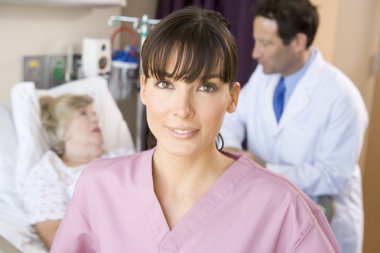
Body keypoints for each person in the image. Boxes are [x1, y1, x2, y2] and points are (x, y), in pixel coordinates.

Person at [50, 6, 340, 252]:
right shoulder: (99, 187)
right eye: (165, 84)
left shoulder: (283, 209)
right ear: (144, 89)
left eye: (205, 87)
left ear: (232, 98)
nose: (182, 109)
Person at [220, 0, 368, 252]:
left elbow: (333, 176)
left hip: (324, 220)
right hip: (273, 211)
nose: (255, 53)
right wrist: (233, 149)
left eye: (266, 44)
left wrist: (264, 168)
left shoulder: (342, 98)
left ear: (298, 42)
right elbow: (232, 117)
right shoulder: (263, 77)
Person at [19, 94, 132, 250]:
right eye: (83, 113)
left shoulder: (124, 157)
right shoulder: (48, 172)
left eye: (94, 114)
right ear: (62, 131)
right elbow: (58, 241)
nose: (94, 119)